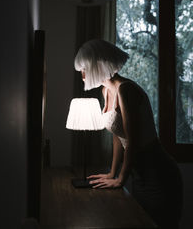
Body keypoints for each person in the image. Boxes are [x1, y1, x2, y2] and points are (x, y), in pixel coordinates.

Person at [74, 39, 183, 229]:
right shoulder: (106, 91)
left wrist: (120, 179)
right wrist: (112, 172)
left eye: (84, 68)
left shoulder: (126, 89)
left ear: (97, 65)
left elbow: (131, 140)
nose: (82, 75)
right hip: (138, 173)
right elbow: (118, 135)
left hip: (158, 173)